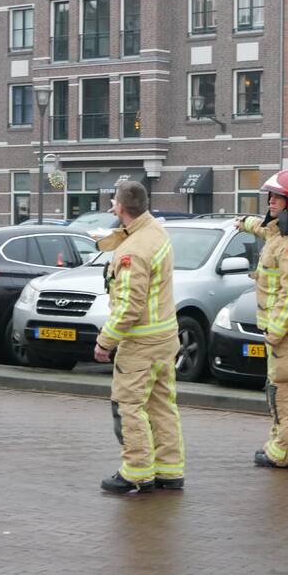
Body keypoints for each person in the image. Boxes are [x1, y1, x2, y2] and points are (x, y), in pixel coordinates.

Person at [93, 181, 185, 494]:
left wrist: (105, 341)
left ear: (119, 207)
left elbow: (130, 306)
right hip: (165, 337)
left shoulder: (133, 250)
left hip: (141, 343)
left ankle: (136, 471)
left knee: (129, 405)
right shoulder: (157, 233)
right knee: (162, 405)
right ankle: (169, 470)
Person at [235, 170, 288, 469]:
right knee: (277, 389)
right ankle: (279, 446)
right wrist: (244, 224)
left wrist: (275, 330)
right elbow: (266, 230)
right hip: (283, 332)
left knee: (284, 393)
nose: (271, 201)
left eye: (278, 197)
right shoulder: (282, 232)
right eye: (270, 196)